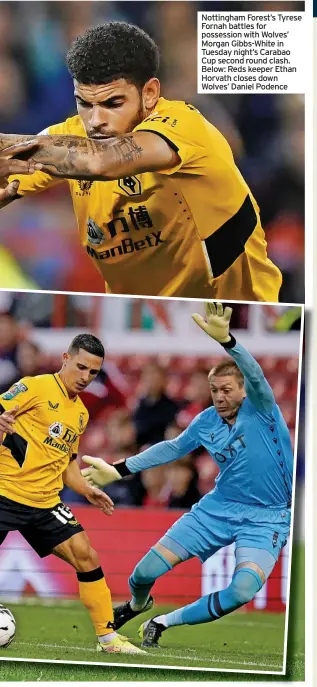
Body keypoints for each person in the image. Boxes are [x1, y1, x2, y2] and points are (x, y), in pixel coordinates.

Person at [0, 21, 281, 301]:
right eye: (84, 103)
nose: (95, 121)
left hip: (245, 320)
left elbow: (103, 160)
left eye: (113, 104)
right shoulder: (69, 136)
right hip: (144, 327)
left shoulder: (185, 126)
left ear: (149, 94)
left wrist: (17, 149)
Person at [81, 303, 293, 648]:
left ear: (242, 391)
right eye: (215, 391)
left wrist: (229, 342)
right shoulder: (206, 421)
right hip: (217, 508)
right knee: (143, 574)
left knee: (242, 590)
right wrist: (119, 469)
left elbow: (255, 374)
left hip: (267, 518)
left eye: (227, 390)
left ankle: (162, 622)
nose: (220, 397)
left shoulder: (262, 410)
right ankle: (137, 604)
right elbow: (171, 449)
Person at [0, 332, 145, 655]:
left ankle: (109, 640)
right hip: (4, 492)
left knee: (87, 557)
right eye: (80, 367)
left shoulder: (80, 413)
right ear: (65, 358)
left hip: (44, 502)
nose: (85, 377)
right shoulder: (35, 386)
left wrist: (86, 490)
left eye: (93, 372)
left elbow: (67, 462)